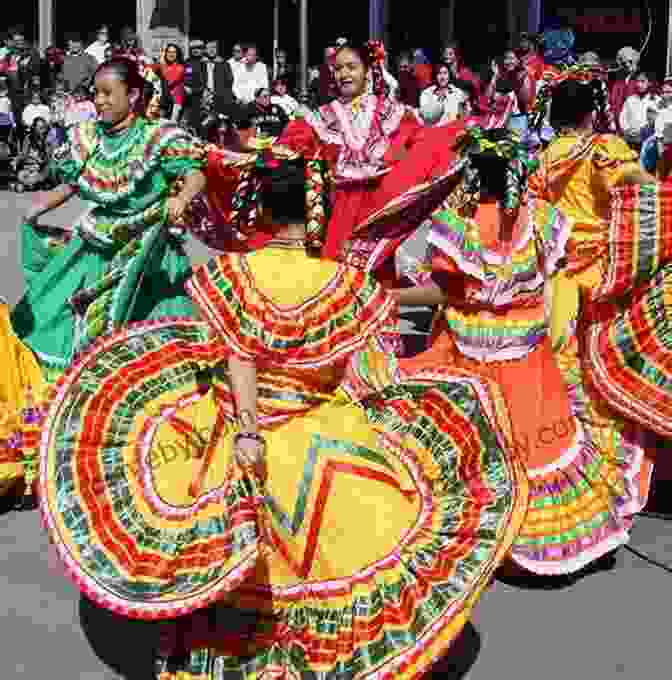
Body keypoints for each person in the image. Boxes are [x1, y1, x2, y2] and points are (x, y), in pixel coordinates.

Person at [39, 143, 528, 679]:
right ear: (318, 208)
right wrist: (449, 293)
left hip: (244, 429)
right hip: (326, 440)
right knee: (344, 554)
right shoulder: (344, 282)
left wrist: (248, 433)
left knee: (239, 557)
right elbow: (392, 305)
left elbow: (239, 356)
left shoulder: (235, 273)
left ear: (261, 209)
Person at [394, 113, 657, 577]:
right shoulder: (545, 221)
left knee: (477, 449)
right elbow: (550, 280)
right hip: (530, 360)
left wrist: (386, 296)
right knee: (539, 448)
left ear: (471, 173)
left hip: (471, 361)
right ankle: (549, 539)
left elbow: (446, 292)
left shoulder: (459, 226)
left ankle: (496, 539)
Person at [11, 58, 207, 384]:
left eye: (107, 93)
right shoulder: (89, 138)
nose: (99, 101)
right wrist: (37, 208)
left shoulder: (158, 137)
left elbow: (195, 175)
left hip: (147, 251)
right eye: (95, 93)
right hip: (95, 247)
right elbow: (71, 185)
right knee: (47, 312)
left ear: (132, 95)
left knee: (150, 338)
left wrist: (181, 198)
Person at [418, 62, 468, 127]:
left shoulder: (458, 92)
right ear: (435, 76)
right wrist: (439, 100)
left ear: (449, 75)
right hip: (434, 132)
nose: (442, 77)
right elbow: (426, 117)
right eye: (439, 73)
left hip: (454, 131)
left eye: (445, 73)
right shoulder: (426, 94)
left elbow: (463, 115)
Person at [160, 43, 186, 123]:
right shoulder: (163, 66)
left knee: (171, 127)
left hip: (175, 103)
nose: (171, 54)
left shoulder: (180, 67)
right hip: (162, 102)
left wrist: (162, 63)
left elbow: (169, 81)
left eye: (174, 52)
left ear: (177, 54)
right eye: (169, 52)